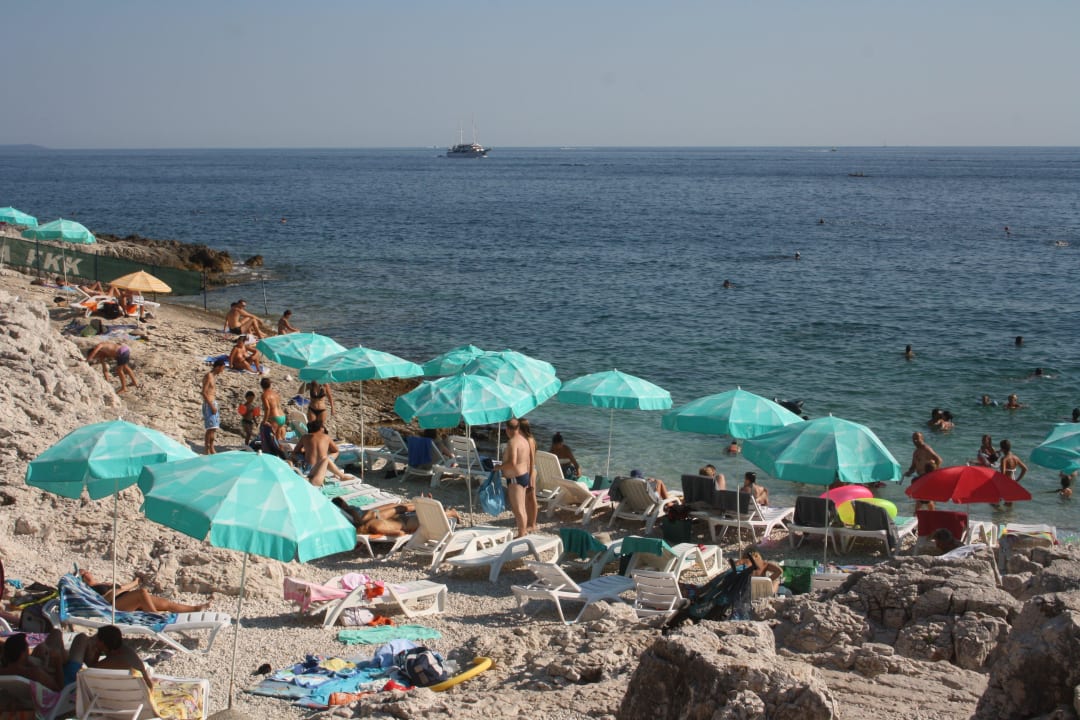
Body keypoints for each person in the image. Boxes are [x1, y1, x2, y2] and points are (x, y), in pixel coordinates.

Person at [78, 569, 212, 613]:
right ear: (83, 580)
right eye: (84, 573)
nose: (87, 572)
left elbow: (122, 588)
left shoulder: (103, 583)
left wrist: (135, 582)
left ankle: (194, 608)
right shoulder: (89, 590)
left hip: (125, 597)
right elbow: (95, 601)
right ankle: (154, 614)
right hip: (115, 604)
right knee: (142, 592)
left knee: (165, 603)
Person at [0, 630, 91, 692]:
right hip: (64, 686)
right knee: (82, 638)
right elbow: (60, 689)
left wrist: (29, 662)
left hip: (28, 697)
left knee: (56, 633)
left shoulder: (3, 672)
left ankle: (63, 655)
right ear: (22, 654)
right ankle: (63, 656)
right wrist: (58, 662)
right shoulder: (35, 673)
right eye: (27, 649)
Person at [333, 498, 460, 536]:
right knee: (425, 516)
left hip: (405, 523)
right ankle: (445, 510)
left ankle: (450, 513)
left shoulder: (374, 527)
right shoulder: (372, 523)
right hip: (400, 519)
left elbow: (398, 533)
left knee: (426, 519)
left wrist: (406, 533)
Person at [85, 626, 152, 689]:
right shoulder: (126, 651)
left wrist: (97, 651)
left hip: (134, 696)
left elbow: (90, 672)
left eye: (97, 640)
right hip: (143, 694)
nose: (95, 642)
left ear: (102, 642)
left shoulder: (115, 659)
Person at [292, 419, 354, 486]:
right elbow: (336, 450)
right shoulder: (326, 437)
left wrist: (305, 452)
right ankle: (341, 476)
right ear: (321, 428)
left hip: (308, 468)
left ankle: (340, 474)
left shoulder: (304, 437)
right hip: (323, 467)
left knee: (298, 455)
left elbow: (296, 452)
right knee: (327, 457)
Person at [501, 419, 532, 538]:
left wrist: (499, 467)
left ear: (507, 429)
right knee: (521, 507)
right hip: (523, 475)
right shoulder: (524, 440)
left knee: (518, 508)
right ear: (518, 428)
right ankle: (522, 532)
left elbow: (512, 463)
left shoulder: (512, 442)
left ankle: (521, 534)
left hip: (515, 478)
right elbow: (527, 461)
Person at [518, 419, 539, 534]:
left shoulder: (529, 440)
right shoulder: (522, 439)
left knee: (531, 498)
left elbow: (531, 459)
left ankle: (533, 524)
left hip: (530, 470)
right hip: (524, 471)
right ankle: (527, 522)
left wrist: (530, 474)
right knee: (526, 498)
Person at [201, 358, 226, 454]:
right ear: (217, 367)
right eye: (222, 368)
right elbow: (204, 392)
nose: (222, 371)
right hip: (209, 404)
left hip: (212, 403)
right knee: (210, 428)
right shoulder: (208, 376)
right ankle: (207, 448)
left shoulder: (213, 376)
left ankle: (211, 447)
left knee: (214, 428)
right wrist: (211, 406)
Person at [260, 377, 286, 441]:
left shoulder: (264, 395)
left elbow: (267, 408)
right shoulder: (275, 394)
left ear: (261, 386)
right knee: (279, 438)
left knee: (273, 438)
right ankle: (282, 450)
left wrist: (264, 421)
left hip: (275, 418)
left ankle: (275, 450)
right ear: (270, 385)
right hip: (282, 416)